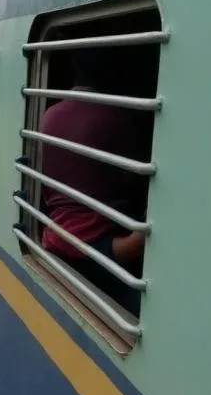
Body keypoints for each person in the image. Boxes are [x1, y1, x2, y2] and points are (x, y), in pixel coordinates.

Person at [37, 47, 150, 316]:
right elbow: (132, 177)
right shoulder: (118, 118)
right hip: (101, 249)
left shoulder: (47, 115)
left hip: (53, 237)